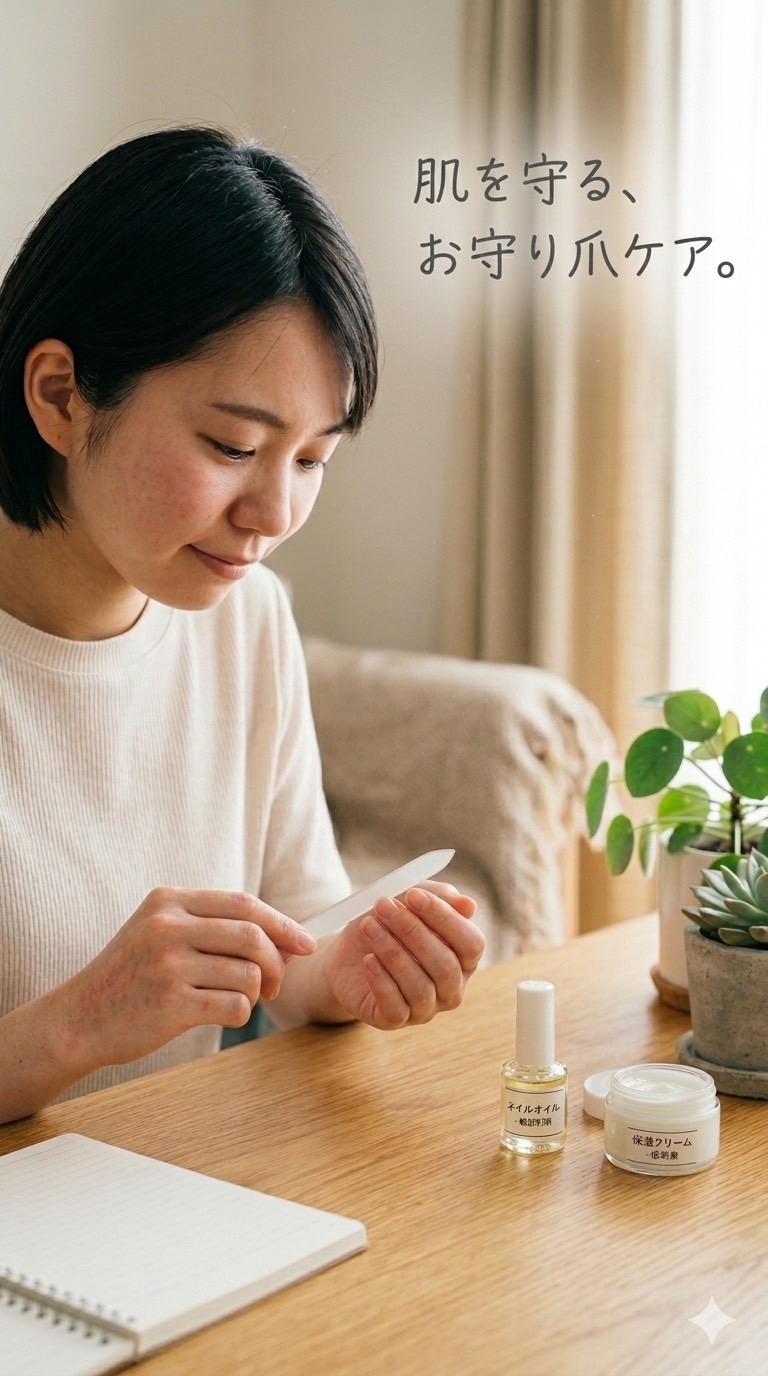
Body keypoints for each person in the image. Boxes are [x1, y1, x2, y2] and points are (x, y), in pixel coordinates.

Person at [0, 125, 484, 1124]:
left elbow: (294, 931)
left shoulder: (246, 617)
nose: (273, 514)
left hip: (177, 1187)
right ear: (59, 395)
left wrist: (344, 968)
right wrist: (76, 1026)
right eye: (231, 445)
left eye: (311, 459)